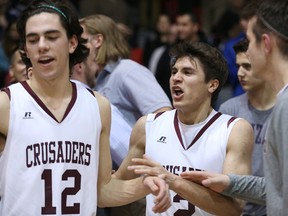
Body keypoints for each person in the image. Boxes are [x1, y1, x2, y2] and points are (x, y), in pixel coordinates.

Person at [0, 0, 171, 215]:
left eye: (52, 37)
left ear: (72, 43)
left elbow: (102, 190)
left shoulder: (98, 106)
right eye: (33, 40)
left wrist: (143, 186)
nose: (42, 45)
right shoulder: (6, 104)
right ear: (25, 48)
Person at [115, 41, 254, 215]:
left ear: (212, 85)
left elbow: (233, 209)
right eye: (174, 71)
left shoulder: (234, 130)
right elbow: (115, 188)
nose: (176, 77)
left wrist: (174, 181)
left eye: (187, 72)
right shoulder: (147, 125)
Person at [181, 0, 288, 215]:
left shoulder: (285, 106)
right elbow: (279, 189)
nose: (246, 49)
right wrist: (229, 182)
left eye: (248, 41)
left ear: (266, 44)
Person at [79, 14, 172, 128]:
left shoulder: (127, 70)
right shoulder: (94, 78)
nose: (75, 48)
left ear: (98, 40)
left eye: (82, 41)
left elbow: (164, 115)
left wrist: (137, 144)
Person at [219, 38, 276, 215]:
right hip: (235, 208)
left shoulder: (282, 110)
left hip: (274, 207)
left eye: (247, 66)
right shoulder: (229, 109)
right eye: (238, 66)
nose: (240, 73)